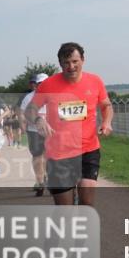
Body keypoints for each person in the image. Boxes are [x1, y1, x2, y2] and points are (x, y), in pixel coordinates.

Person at [24, 43, 113, 206]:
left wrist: (107, 122)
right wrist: (38, 120)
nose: (71, 67)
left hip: (88, 149)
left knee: (87, 202)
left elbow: (106, 105)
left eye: (74, 61)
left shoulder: (95, 81)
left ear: (83, 60)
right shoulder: (48, 85)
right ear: (60, 64)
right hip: (59, 154)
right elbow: (30, 110)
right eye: (66, 63)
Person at [19, 73, 49, 196]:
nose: (42, 86)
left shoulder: (54, 97)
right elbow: (22, 113)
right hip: (34, 131)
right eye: (39, 83)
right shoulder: (29, 97)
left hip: (51, 131)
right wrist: (22, 124)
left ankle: (47, 177)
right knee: (37, 156)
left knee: (48, 157)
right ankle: (40, 181)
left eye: (45, 83)